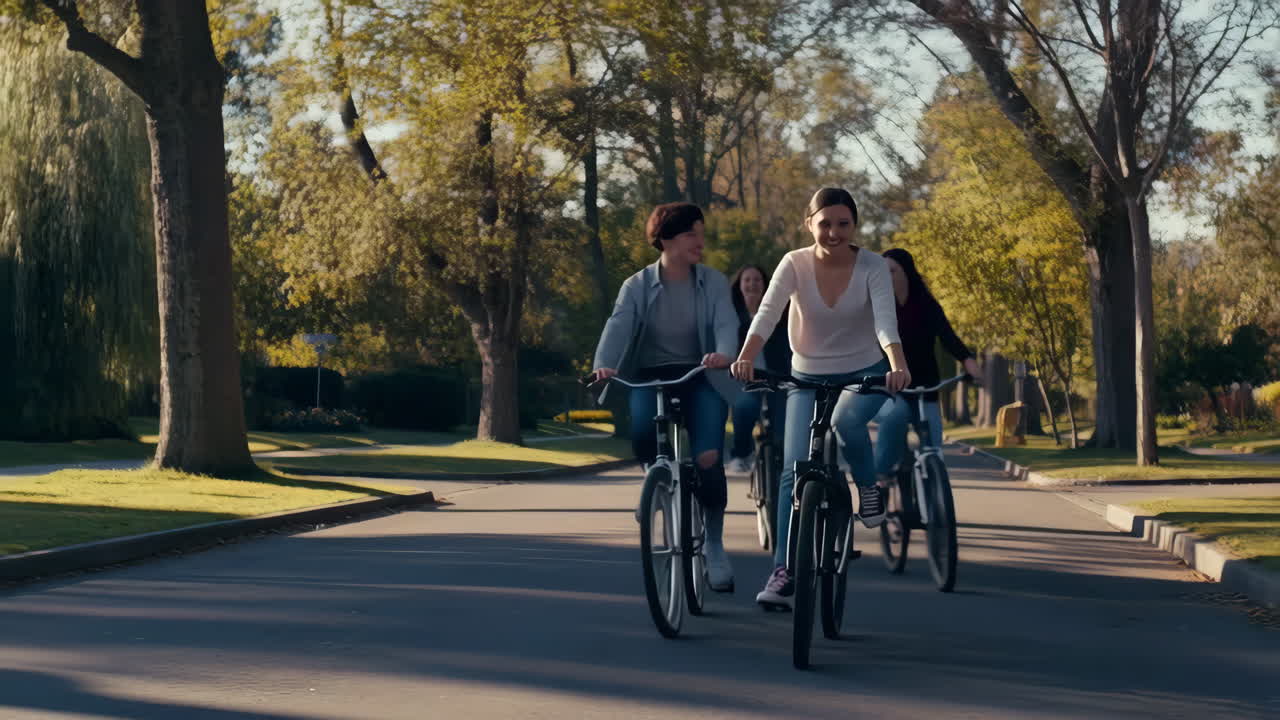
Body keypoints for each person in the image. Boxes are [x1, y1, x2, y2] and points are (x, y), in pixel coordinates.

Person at [730, 187, 911, 609]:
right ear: (808, 223)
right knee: (793, 469)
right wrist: (745, 357)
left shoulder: (871, 266)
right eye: (825, 223)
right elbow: (769, 312)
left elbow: (885, 321)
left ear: (854, 226)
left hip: (864, 369)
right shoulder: (793, 263)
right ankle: (783, 569)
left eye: (843, 224)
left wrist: (897, 364)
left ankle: (867, 488)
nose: (833, 232)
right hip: (807, 373)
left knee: (847, 422)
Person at [589, 202, 740, 592]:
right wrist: (604, 366)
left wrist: (724, 354)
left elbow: (726, 323)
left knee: (708, 457)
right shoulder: (636, 285)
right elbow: (618, 327)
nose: (700, 242)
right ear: (667, 238)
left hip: (700, 374)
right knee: (641, 435)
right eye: (693, 234)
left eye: (701, 234)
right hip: (651, 377)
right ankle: (655, 485)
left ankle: (715, 547)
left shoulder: (714, 282)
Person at [873, 248, 981, 476]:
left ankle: (935, 494)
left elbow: (948, 337)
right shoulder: (879, 307)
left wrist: (967, 360)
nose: (886, 277)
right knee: (896, 416)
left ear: (906, 272)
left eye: (891, 271)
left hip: (926, 386)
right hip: (893, 388)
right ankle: (880, 479)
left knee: (933, 445)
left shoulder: (926, 304)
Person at [726, 264, 791, 473]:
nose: (752, 284)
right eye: (747, 280)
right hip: (745, 379)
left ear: (766, 285)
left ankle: (779, 461)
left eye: (757, 280)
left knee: (781, 427)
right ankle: (742, 453)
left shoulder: (778, 312)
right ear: (739, 285)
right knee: (745, 407)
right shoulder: (730, 314)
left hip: (776, 377)